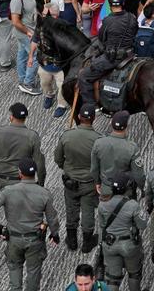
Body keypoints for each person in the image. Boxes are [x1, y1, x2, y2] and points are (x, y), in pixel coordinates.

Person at [0, 157, 61, 291]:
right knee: (33, 273)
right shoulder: (44, 193)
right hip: (35, 241)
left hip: (14, 239)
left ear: (20, 173)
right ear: (35, 172)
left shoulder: (8, 191)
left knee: (14, 272)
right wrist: (55, 234)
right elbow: (52, 218)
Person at [77, 0, 138, 109]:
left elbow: (101, 39)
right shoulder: (132, 17)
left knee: (83, 76)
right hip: (129, 55)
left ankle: (91, 105)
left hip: (113, 58)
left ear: (110, 5)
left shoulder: (107, 20)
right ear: (123, 4)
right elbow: (135, 32)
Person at [54, 104, 102, 252]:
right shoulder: (98, 140)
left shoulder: (66, 135)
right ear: (93, 119)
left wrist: (68, 169)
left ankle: (72, 240)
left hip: (70, 181)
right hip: (89, 182)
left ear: (79, 117)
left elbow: (58, 158)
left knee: (71, 209)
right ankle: (87, 242)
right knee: (88, 211)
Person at [0, 102, 46, 193]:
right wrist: (41, 183)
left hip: (2, 181)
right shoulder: (32, 136)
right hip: (23, 182)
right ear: (25, 118)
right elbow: (39, 163)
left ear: (11, 117)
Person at [95, 173, 143, 291]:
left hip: (110, 244)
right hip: (129, 245)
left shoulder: (102, 204)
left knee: (112, 278)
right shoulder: (133, 205)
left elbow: (102, 226)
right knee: (134, 274)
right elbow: (143, 224)